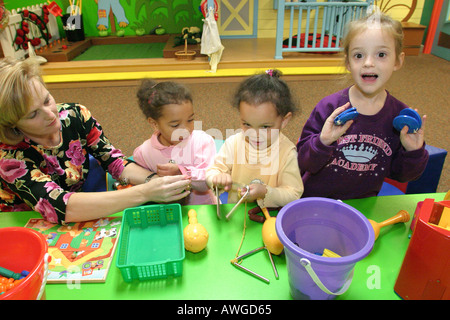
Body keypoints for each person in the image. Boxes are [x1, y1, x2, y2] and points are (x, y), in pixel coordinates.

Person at [0, 57, 191, 224]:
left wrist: (154, 181)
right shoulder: (8, 157)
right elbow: (58, 207)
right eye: (33, 114)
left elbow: (113, 160)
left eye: (46, 100)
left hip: (79, 207)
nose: (50, 114)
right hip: (24, 222)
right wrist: (145, 192)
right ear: (12, 124)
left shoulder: (75, 115)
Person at [297, 12, 429, 199]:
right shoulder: (329, 107)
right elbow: (303, 162)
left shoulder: (399, 117)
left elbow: (401, 175)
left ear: (398, 61)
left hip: (363, 206)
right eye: (358, 55)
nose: (368, 63)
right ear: (348, 62)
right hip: (315, 200)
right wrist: (323, 142)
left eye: (381, 54)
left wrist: (413, 152)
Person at [206, 69, 304, 209]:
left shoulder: (287, 152)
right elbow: (213, 171)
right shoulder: (233, 143)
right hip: (236, 213)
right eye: (247, 124)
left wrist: (264, 192)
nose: (255, 134)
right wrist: (216, 178)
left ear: (284, 120)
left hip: (270, 216)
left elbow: (293, 194)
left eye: (265, 127)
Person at [132, 79, 216, 205]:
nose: (186, 129)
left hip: (204, 210)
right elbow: (144, 186)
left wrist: (182, 172)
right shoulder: (143, 153)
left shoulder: (202, 141)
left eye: (190, 120)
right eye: (175, 125)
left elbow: (210, 180)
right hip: (168, 215)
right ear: (154, 123)